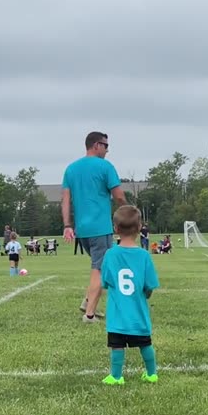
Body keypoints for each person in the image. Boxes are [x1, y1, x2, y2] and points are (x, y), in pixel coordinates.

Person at [61, 130, 126, 323]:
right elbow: (119, 196)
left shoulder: (71, 169)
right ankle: (89, 314)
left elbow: (65, 200)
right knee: (99, 268)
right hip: (101, 228)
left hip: (82, 231)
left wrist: (67, 225)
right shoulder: (105, 167)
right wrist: (131, 212)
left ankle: (88, 299)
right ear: (96, 145)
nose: (107, 150)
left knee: (109, 264)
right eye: (106, 146)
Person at [100, 205, 160, 385]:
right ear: (140, 227)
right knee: (145, 343)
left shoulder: (110, 254)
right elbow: (149, 286)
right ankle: (151, 374)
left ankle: (116, 377)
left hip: (117, 314)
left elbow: (106, 281)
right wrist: (146, 294)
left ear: (115, 228)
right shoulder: (144, 255)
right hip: (138, 313)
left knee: (116, 345)